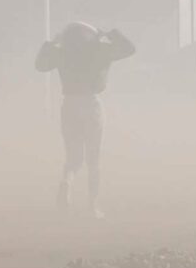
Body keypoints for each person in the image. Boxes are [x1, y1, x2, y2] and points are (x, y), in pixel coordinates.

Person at [35, 23, 135, 219]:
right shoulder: (100, 50)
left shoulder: (63, 52)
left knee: (73, 157)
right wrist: (110, 34)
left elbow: (40, 66)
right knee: (93, 159)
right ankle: (92, 206)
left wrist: (51, 43)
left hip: (69, 104)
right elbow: (130, 49)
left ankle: (67, 181)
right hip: (91, 104)